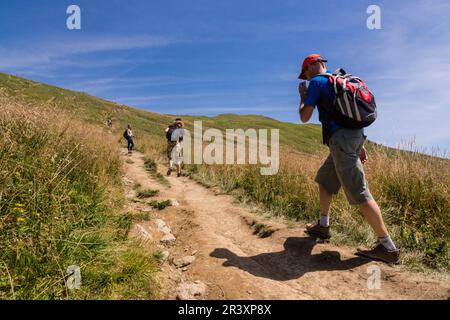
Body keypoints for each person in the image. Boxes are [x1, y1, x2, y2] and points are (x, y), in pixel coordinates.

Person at [298, 54, 400, 264]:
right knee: (325, 179)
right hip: (352, 138)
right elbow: (350, 117)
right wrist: (359, 145)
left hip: (341, 142)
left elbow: (304, 116)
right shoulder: (341, 80)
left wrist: (303, 96)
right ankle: (323, 225)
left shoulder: (317, 82)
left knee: (359, 192)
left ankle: (388, 247)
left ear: (311, 67)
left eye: (305, 74)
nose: (306, 79)